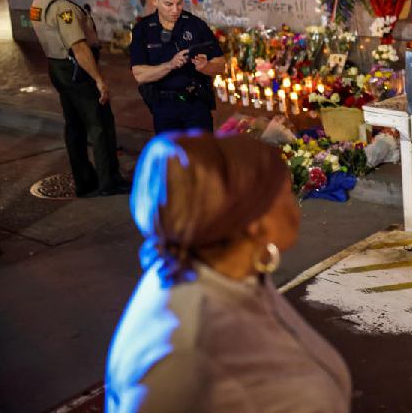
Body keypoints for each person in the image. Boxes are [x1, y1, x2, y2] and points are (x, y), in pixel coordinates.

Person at [106, 132, 352, 411]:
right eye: (284, 195)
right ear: (252, 221)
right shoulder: (184, 354)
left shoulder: (238, 276)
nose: (296, 209)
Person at [29, 0, 129, 197]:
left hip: (57, 67)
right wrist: (98, 79)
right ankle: (109, 180)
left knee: (74, 124)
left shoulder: (38, 4)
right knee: (100, 124)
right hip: (76, 70)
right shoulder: (62, 9)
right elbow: (79, 47)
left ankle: (84, 179)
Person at [130, 0, 225, 133]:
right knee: (172, 156)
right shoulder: (143, 30)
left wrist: (206, 67)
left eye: (179, 3)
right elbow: (140, 75)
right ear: (155, 1)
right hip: (163, 106)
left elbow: (221, 64)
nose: (175, 10)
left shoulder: (195, 25)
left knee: (202, 154)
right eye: (169, 4)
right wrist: (170, 65)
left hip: (195, 103)